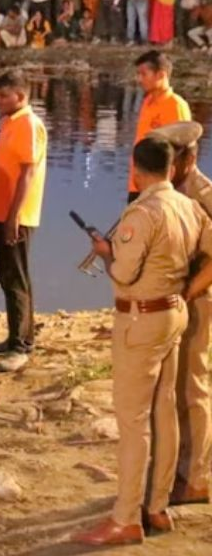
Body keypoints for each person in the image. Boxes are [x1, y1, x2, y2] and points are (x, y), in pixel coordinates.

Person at [75, 138, 212, 546]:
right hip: (175, 311)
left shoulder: (142, 213)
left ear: (136, 170)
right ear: (173, 168)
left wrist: (104, 252)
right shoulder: (189, 207)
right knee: (165, 411)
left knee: (134, 422)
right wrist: (189, 287)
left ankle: (126, 517)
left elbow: (124, 273)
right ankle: (156, 506)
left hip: (142, 319)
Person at [148, 121, 212, 507]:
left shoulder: (204, 194)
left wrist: (190, 292)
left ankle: (197, 477)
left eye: (175, 157)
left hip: (198, 300)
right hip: (176, 301)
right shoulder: (175, 191)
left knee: (194, 388)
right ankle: (178, 471)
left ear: (190, 156)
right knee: (172, 390)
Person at [0, 73, 47, 373]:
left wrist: (13, 217)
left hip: (15, 215)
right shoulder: (10, 122)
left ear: (20, 96)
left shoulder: (28, 124)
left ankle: (22, 346)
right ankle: (15, 337)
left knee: (16, 278)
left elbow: (27, 173)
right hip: (0, 212)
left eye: (3, 95)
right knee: (9, 277)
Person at [130, 50, 190, 200]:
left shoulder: (175, 106)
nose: (139, 79)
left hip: (158, 191)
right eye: (138, 74)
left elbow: (182, 155)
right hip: (137, 184)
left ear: (161, 75)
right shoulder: (147, 102)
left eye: (144, 74)